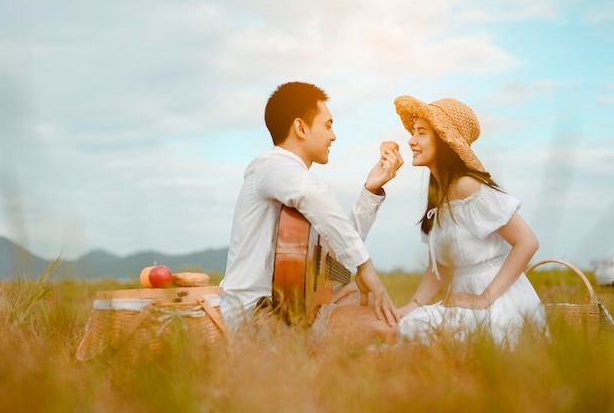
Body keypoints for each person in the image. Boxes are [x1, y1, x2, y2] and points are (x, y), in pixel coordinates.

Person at [220, 81, 402, 339]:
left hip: (289, 306)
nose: (333, 135)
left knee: (357, 295)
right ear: (300, 127)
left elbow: (339, 249)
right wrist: (365, 267)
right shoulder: (271, 167)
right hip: (259, 316)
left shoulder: (291, 184)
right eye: (328, 125)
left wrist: (370, 191)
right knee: (389, 327)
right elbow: (312, 193)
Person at [393, 95, 547, 347]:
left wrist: (485, 298)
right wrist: (411, 306)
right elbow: (442, 267)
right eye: (413, 132)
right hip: (464, 302)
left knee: (412, 332)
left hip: (500, 305)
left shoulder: (466, 186)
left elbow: (527, 242)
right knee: (406, 325)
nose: (411, 140)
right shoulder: (439, 196)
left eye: (421, 132)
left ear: (443, 140)